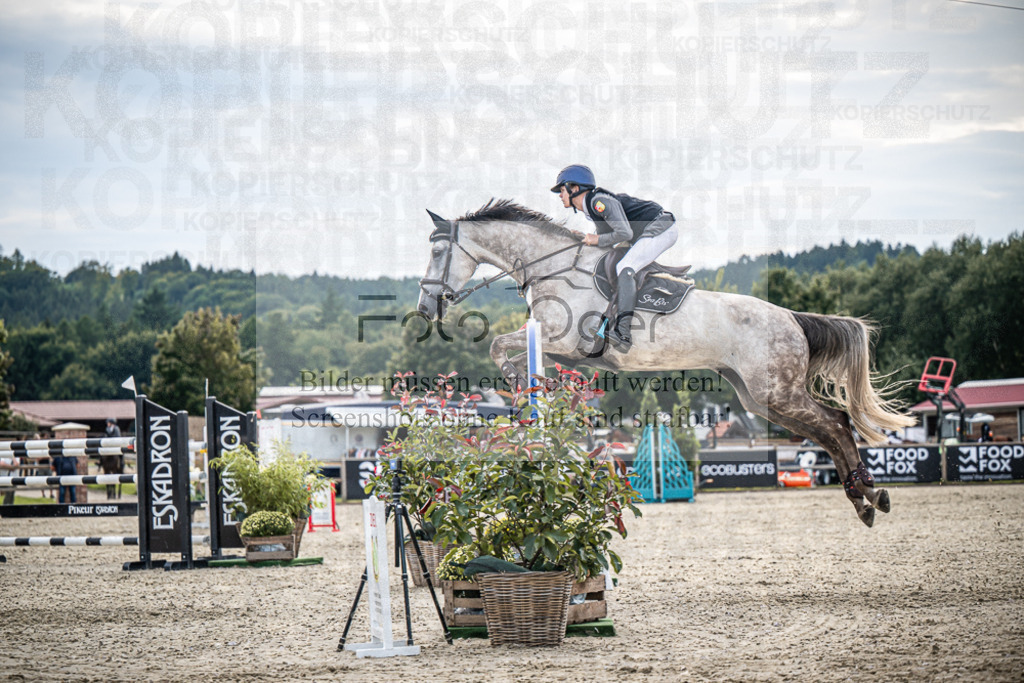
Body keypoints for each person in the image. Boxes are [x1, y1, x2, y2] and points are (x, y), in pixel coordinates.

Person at [551, 164, 678, 352]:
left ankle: (623, 333)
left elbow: (624, 233)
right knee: (610, 264)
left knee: (625, 267)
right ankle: (608, 321)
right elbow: (605, 242)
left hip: (661, 228)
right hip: (645, 232)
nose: (560, 196)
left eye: (562, 190)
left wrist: (595, 239)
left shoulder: (598, 202)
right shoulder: (592, 209)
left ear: (575, 188)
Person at [102, 418, 123, 500]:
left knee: (121, 453)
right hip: (108, 446)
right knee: (102, 454)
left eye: (108, 423)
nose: (107, 424)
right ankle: (101, 463)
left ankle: (121, 463)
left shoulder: (116, 429)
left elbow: (118, 437)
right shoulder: (107, 429)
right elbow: (105, 436)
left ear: (112, 423)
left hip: (115, 446)